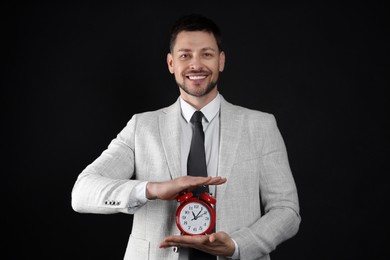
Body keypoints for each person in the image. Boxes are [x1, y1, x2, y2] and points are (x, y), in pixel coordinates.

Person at [71, 13, 301, 260]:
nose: (196, 64)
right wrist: (153, 189)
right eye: (185, 55)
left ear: (221, 61)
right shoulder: (142, 127)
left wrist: (237, 245)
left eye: (207, 54)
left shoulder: (260, 126)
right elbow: (82, 192)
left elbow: (286, 211)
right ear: (171, 63)